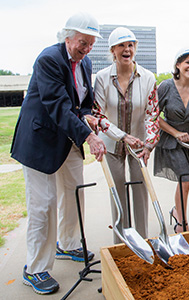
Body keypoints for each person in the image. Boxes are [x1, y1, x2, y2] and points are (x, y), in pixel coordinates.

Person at [10, 12, 105, 295]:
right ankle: (35, 268)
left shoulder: (85, 62)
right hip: (40, 140)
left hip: (68, 138)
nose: (86, 49)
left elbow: (82, 102)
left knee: (74, 191)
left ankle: (68, 243)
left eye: (90, 44)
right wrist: (88, 135)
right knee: (44, 204)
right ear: (67, 37)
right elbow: (58, 105)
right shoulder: (49, 59)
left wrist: (87, 117)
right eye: (82, 43)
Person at [93, 27, 160, 244]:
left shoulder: (148, 77)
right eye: (121, 45)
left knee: (141, 190)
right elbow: (98, 116)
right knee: (118, 194)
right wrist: (122, 136)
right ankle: (121, 243)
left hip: (139, 145)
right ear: (113, 50)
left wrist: (149, 145)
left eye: (130, 45)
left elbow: (152, 115)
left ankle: (143, 241)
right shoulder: (103, 78)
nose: (127, 49)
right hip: (111, 147)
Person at [154, 48, 189, 233]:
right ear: (178, 64)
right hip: (171, 141)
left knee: (186, 179)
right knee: (185, 179)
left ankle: (177, 211)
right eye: (188, 62)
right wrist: (176, 133)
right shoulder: (165, 87)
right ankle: (182, 223)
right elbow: (154, 116)